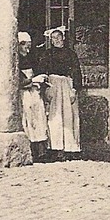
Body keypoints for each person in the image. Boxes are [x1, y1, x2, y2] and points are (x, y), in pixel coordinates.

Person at [40, 26, 82, 160]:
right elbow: (42, 71)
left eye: (58, 37)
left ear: (63, 38)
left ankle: (70, 148)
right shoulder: (47, 54)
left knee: (69, 117)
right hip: (53, 85)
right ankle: (55, 148)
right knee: (54, 118)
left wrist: (74, 89)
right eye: (53, 38)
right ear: (50, 40)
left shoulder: (70, 53)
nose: (56, 40)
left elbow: (76, 71)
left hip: (67, 85)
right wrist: (46, 88)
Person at [17, 31, 48, 162]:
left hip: (34, 93)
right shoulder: (15, 60)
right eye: (25, 46)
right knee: (28, 120)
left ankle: (39, 152)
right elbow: (18, 82)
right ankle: (29, 150)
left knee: (39, 120)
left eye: (29, 46)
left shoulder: (29, 58)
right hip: (24, 95)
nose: (28, 49)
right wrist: (33, 80)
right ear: (19, 45)